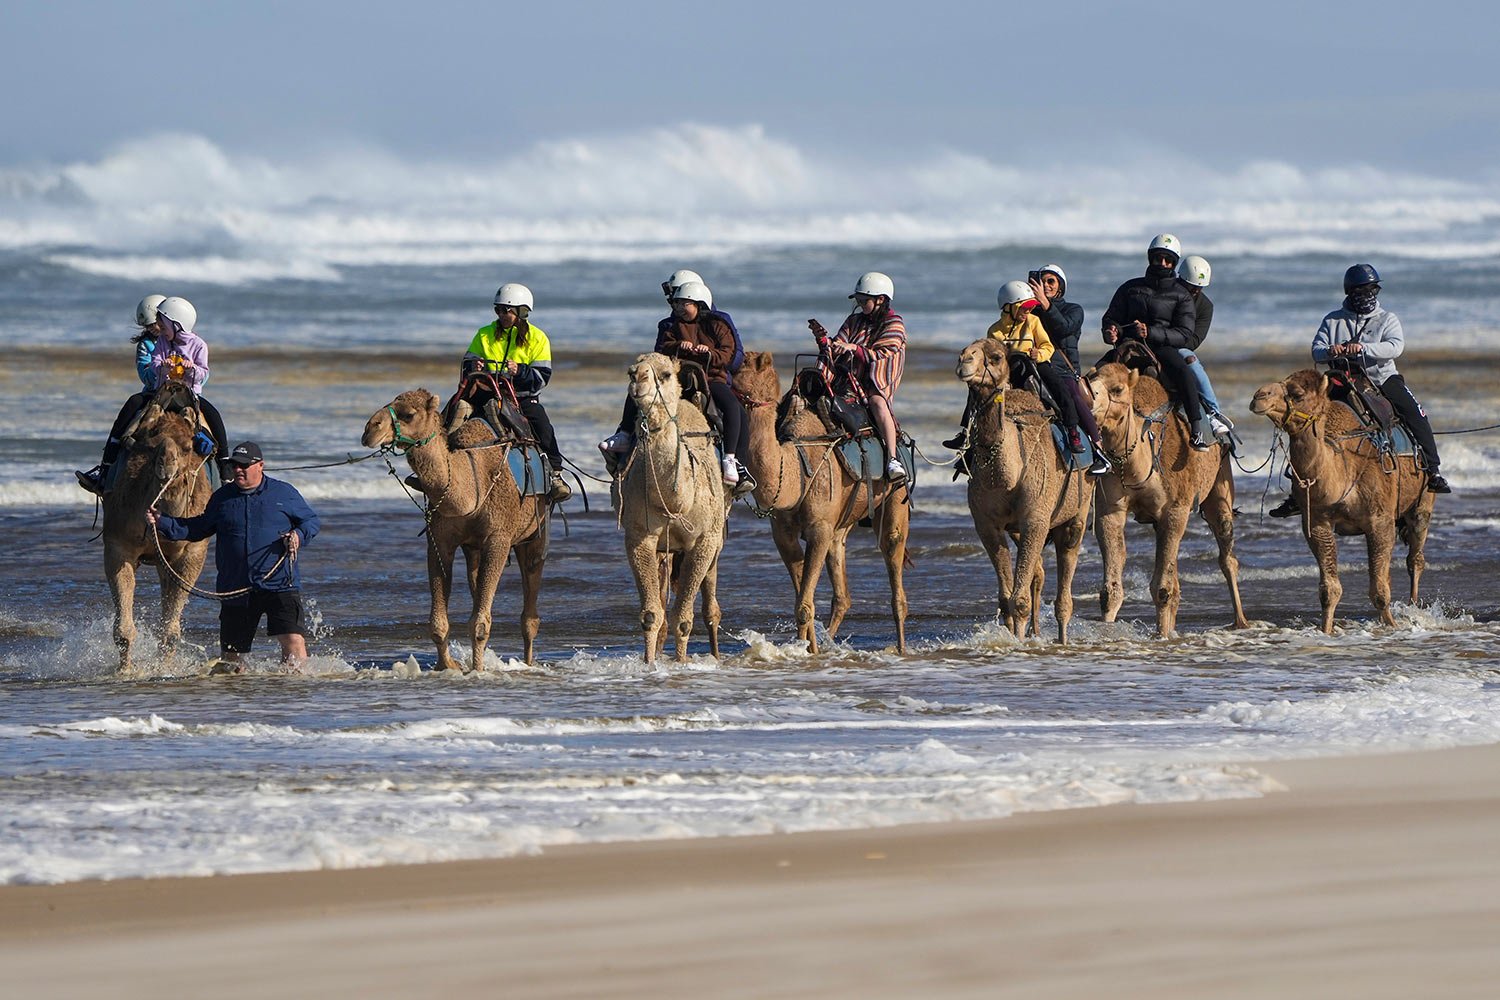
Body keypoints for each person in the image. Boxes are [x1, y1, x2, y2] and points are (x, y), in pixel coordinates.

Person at [1270, 264, 1450, 516]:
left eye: (1372, 289)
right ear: (1350, 292)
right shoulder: (1332, 320)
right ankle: (1297, 493)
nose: (1368, 295)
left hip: (1382, 379)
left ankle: (1433, 471)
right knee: (1307, 422)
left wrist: (1364, 348)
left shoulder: (1388, 319)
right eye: (1362, 291)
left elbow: (1395, 347)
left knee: (1416, 413)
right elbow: (1316, 349)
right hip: (1341, 381)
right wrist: (1331, 351)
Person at [147, 441, 321, 668]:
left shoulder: (284, 492)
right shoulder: (222, 498)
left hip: (280, 583)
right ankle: (237, 697)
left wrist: (298, 535)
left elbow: (311, 521)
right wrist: (162, 521)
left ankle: (291, 694)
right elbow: (198, 528)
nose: (238, 470)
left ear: (260, 465)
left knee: (293, 641)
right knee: (232, 657)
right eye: (235, 465)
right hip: (235, 587)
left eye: (244, 465)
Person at [598, 272, 754, 493]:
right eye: (675, 299)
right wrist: (678, 348)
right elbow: (660, 353)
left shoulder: (719, 323)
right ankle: (623, 442)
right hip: (676, 378)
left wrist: (712, 357)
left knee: (736, 411)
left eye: (679, 298)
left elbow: (734, 356)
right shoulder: (669, 325)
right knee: (640, 392)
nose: (674, 303)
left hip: (712, 378)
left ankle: (736, 463)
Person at [947, 281, 1107, 473]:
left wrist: (1038, 354)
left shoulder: (1033, 322)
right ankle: (967, 435)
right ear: (1009, 307)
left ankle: (1073, 431)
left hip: (1036, 365)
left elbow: (1047, 346)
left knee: (1060, 389)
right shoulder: (995, 330)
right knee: (978, 390)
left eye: (1031, 307)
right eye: (1025, 307)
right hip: (1008, 370)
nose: (1028, 311)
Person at [76, 295, 230, 494]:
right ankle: (105, 468)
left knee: (213, 414)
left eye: (158, 323)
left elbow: (204, 375)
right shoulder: (153, 344)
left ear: (173, 323)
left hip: (187, 394)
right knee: (132, 405)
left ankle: (225, 465)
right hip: (157, 391)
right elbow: (147, 375)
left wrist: (191, 371)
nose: (155, 327)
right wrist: (161, 369)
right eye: (152, 324)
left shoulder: (197, 344)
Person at [451, 282, 570, 504]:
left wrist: (521, 371)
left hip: (521, 398)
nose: (503, 315)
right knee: (453, 409)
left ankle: (556, 475)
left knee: (543, 425)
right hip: (486, 394)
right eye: (499, 310)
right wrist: (473, 366)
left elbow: (542, 378)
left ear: (522, 312)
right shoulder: (484, 334)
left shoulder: (538, 338)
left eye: (508, 310)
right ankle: (443, 462)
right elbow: (467, 363)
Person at [1099, 234, 1210, 450]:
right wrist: (1110, 332)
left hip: (1162, 348)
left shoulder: (1182, 296)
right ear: (1150, 258)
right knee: (1096, 375)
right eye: (1158, 258)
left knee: (1184, 372)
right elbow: (1111, 318)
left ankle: (1196, 428)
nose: (1163, 263)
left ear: (1174, 263)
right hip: (1129, 346)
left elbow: (1185, 333)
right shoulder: (1129, 288)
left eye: (1168, 260)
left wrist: (1150, 332)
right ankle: (1087, 433)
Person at [807, 271, 908, 482]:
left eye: (864, 300)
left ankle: (892, 458)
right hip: (847, 378)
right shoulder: (854, 320)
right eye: (859, 300)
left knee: (877, 403)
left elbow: (885, 353)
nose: (860, 304)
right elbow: (838, 347)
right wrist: (824, 341)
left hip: (873, 381)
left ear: (881, 299)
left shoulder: (894, 323)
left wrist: (854, 348)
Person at [1176, 255, 1235, 442]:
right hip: (1152, 343)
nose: (1195, 290)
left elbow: (1194, 340)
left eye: (1198, 287)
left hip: (1178, 348)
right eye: (1191, 286)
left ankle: (1214, 413)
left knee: (1190, 358)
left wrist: (1168, 339)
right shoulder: (1167, 293)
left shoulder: (1205, 306)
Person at [1028, 263, 1084, 373]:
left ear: (1060, 286)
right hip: (1037, 366)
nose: (1045, 285)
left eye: (1050, 281)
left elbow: (1063, 328)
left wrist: (1044, 302)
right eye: (1041, 282)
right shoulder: (1032, 312)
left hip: (1065, 371)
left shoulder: (1074, 309)